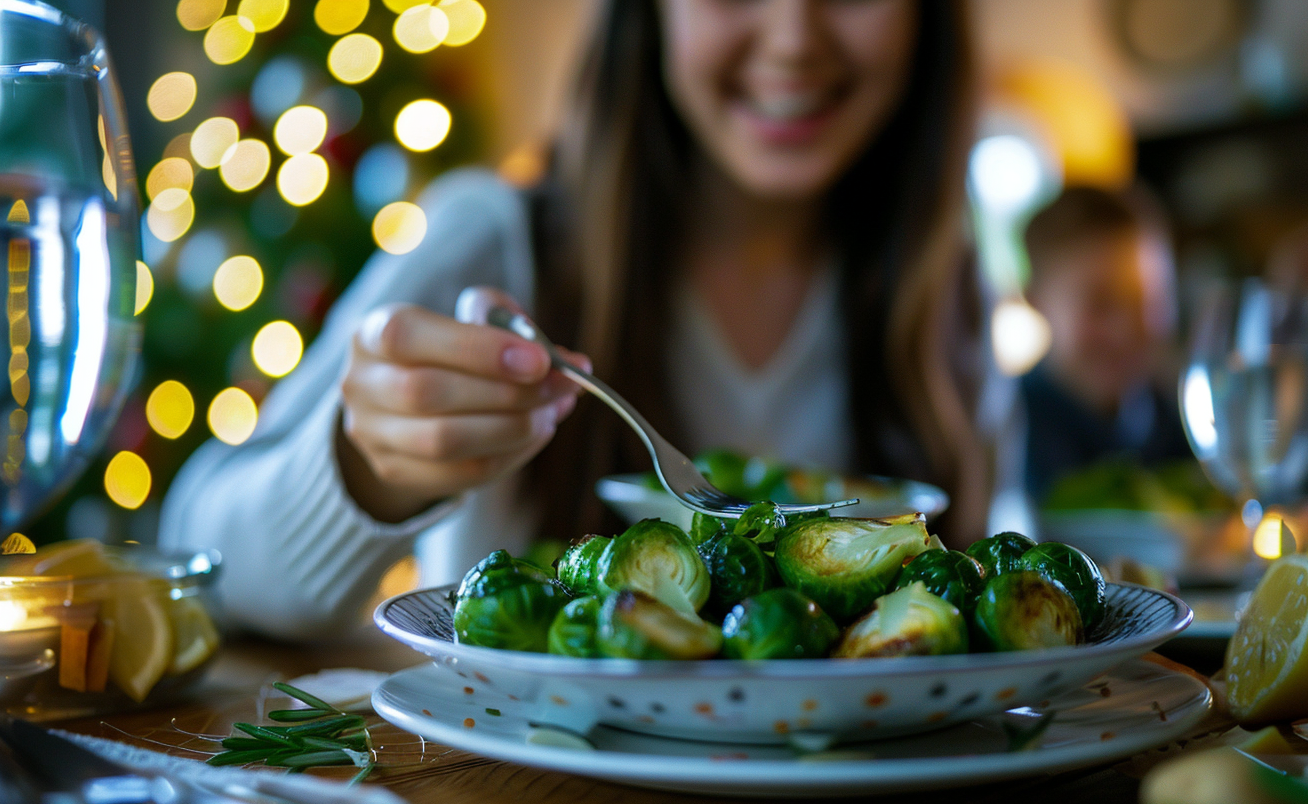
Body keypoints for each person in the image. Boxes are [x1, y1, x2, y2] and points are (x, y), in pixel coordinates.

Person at [160, 0, 990, 639]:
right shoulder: (493, 240)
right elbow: (198, 556)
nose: (793, 37)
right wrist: (369, 466)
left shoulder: (948, 288)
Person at [1018, 185, 1189, 505]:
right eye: (1099, 303)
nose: (1124, 330)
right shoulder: (1004, 435)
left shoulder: (1183, 422)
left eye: (1144, 301)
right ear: (1036, 300)